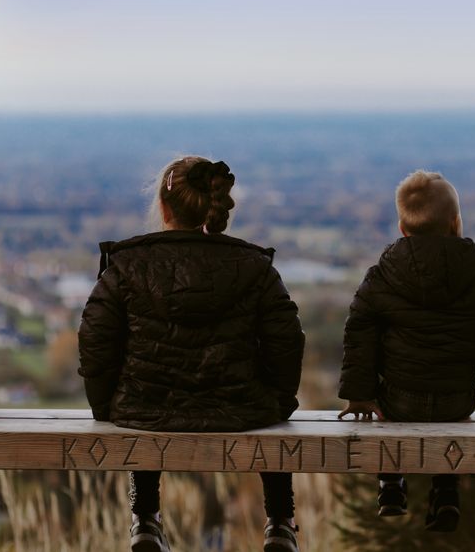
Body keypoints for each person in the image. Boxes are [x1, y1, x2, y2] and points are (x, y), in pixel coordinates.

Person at [78, 156, 305, 552]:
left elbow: (95, 340)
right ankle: (280, 522)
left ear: (164, 208)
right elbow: (286, 342)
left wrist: (106, 407)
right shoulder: (253, 266)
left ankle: (145, 518)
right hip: (242, 408)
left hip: (143, 409)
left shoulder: (127, 266)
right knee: (268, 410)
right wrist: (279, 402)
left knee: (147, 394)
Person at [337, 169, 475, 532]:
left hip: (397, 399)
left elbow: (358, 333)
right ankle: (445, 489)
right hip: (457, 400)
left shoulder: (382, 274)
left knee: (386, 401)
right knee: (446, 414)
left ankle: (390, 481)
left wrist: (359, 394)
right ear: (456, 223)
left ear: (402, 228)